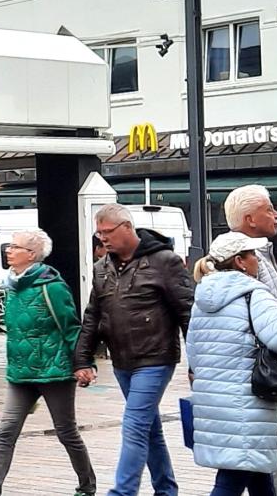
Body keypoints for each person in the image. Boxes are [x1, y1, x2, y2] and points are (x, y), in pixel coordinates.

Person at [73, 204, 195, 496]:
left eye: (107, 232)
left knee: (134, 425)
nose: (102, 239)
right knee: (149, 428)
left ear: (126, 227)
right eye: (99, 233)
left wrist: (197, 363)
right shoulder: (103, 266)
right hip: (122, 360)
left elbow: (188, 313)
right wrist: (82, 358)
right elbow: (93, 315)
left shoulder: (164, 261)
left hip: (156, 357)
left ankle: (122, 492)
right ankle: (166, 490)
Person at [186, 232, 277, 496]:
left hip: (213, 402)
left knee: (257, 473)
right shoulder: (254, 293)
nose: (258, 261)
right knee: (233, 477)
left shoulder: (202, 299)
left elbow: (194, 353)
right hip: (246, 404)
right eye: (253, 255)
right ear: (240, 261)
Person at [0, 229, 96, 496]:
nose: (8, 250)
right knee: (6, 432)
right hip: (20, 373)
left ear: (31, 255)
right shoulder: (11, 286)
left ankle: (87, 486)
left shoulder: (51, 287)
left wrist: (84, 364)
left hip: (54, 372)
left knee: (66, 432)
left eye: (14, 246)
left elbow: (71, 328)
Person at [224, 185, 277, 496]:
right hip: (252, 370)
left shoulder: (260, 252)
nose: (276, 215)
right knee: (255, 457)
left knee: (259, 456)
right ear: (250, 219)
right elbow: (248, 314)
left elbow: (258, 304)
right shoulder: (244, 259)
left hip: (257, 370)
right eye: (269, 209)